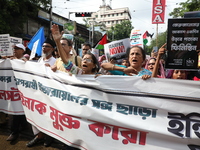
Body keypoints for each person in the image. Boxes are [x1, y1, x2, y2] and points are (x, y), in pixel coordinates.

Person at [26, 38, 57, 148]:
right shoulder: (39, 60)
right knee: (38, 115)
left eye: (47, 46)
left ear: (52, 49)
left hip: (50, 95)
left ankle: (48, 137)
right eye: (43, 46)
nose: (44, 48)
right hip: (38, 93)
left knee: (49, 116)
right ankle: (39, 135)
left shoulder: (55, 62)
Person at [6, 44, 28, 141]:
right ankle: (17, 130)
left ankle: (18, 129)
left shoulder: (26, 62)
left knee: (19, 111)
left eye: (17, 48)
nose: (15, 50)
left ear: (23, 51)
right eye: (14, 48)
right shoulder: (10, 61)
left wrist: (27, 64)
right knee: (15, 111)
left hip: (22, 91)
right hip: (12, 90)